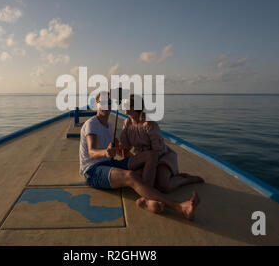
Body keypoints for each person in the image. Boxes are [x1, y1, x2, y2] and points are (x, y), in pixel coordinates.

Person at [79, 91, 200, 220]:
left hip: (112, 163)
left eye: (109, 102)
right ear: (96, 104)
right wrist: (105, 152)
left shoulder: (110, 125)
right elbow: (92, 152)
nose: (106, 105)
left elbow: (121, 149)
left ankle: (145, 200)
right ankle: (179, 207)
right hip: (93, 170)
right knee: (131, 176)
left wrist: (135, 160)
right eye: (102, 103)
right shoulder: (91, 124)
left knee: (151, 156)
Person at [120, 94, 204, 193]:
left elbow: (157, 150)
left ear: (135, 107)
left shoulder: (149, 124)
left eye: (126, 105)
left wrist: (149, 167)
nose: (123, 107)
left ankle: (187, 179)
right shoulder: (127, 123)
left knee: (163, 186)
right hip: (142, 157)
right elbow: (125, 146)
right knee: (137, 179)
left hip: (161, 157)